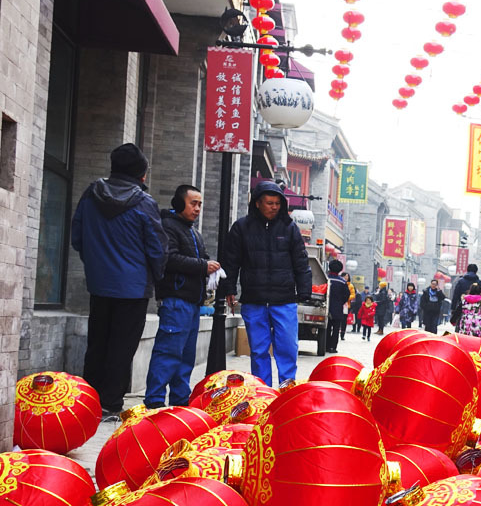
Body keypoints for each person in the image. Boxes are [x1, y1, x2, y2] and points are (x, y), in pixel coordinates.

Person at [71, 142, 166, 417]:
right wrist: (157, 277)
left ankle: (87, 403)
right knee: (122, 347)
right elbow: (157, 248)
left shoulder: (91, 194)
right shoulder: (144, 203)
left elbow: (77, 237)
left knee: (97, 342)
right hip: (134, 287)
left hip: (99, 283)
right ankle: (110, 404)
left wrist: (95, 263)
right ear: (141, 174)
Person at [220, 180, 312, 387]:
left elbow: (301, 261)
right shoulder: (242, 228)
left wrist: (304, 290)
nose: (274, 207)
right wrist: (229, 288)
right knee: (259, 349)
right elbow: (231, 261)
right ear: (257, 203)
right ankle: (263, 391)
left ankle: (287, 388)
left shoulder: (289, 228)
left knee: (287, 347)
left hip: (284, 300)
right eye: (269, 203)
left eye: (277, 203)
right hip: (254, 299)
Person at [143, 184, 217, 409]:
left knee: (186, 357)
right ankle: (154, 402)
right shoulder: (168, 227)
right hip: (175, 301)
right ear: (179, 203)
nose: (197, 208)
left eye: (200, 204)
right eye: (193, 203)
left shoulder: (193, 231)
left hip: (193, 303)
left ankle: (179, 402)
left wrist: (210, 265)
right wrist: (204, 265)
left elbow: (200, 258)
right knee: (168, 353)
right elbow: (170, 259)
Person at [325, 259, 350, 354]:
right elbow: (346, 295)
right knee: (336, 329)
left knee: (327, 327)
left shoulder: (325, 279)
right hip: (338, 308)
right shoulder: (342, 282)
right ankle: (333, 347)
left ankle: (326, 346)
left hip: (326, 307)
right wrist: (340, 302)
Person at [450, 263, 481, 328]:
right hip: (476, 309)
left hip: (462, 307)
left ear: (467, 270)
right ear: (476, 271)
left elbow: (455, 295)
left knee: (461, 324)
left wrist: (453, 308)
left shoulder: (460, 281)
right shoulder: (479, 282)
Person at [340, 272, 356, 340]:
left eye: (347, 276)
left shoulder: (350, 286)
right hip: (339, 304)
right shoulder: (340, 283)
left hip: (346, 305)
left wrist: (346, 298)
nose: (346, 277)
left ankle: (342, 334)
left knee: (344, 320)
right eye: (344, 276)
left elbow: (353, 295)